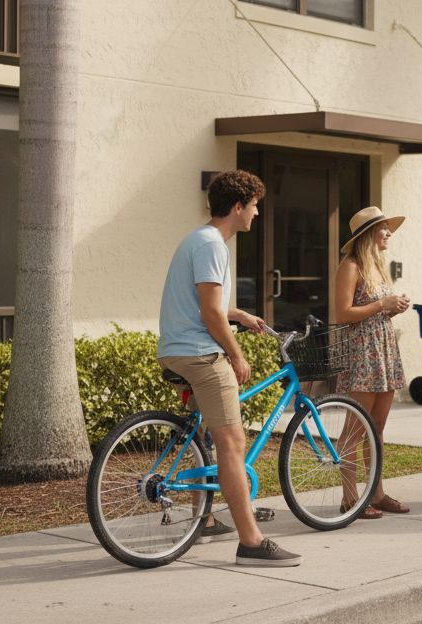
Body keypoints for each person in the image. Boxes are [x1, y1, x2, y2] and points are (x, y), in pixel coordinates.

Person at [156, 169, 301, 567]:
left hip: (178, 349)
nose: (256, 214)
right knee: (232, 444)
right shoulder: (212, 245)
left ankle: (202, 518)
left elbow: (212, 305)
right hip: (201, 354)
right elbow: (208, 314)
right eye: (254, 206)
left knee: (203, 433)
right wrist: (236, 354)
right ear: (237, 207)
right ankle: (251, 541)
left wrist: (240, 314)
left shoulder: (198, 240)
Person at [334, 206, 411, 519]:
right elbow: (342, 313)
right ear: (368, 234)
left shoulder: (378, 266)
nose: (389, 233)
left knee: (376, 428)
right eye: (384, 228)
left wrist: (393, 308)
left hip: (383, 350)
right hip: (364, 354)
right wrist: (383, 303)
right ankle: (350, 498)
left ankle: (376, 493)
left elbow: (376, 309)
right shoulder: (350, 265)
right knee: (355, 428)